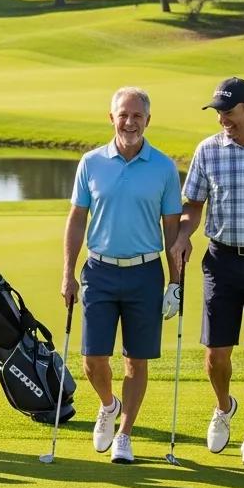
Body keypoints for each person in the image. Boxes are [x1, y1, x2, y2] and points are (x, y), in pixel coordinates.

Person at [61, 87, 182, 464]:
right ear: (111, 118)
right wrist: (68, 272)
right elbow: (77, 218)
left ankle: (125, 435)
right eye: (123, 115)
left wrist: (175, 282)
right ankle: (108, 405)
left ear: (148, 120)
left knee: (136, 361)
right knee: (93, 360)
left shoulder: (163, 167)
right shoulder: (91, 162)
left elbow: (172, 230)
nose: (130, 122)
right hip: (98, 271)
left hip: (145, 273)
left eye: (137, 116)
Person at [170, 78, 244, 467]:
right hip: (222, 261)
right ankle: (223, 406)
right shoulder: (208, 150)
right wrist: (184, 235)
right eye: (218, 112)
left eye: (228, 112)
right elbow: (194, 205)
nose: (222, 120)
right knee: (216, 354)